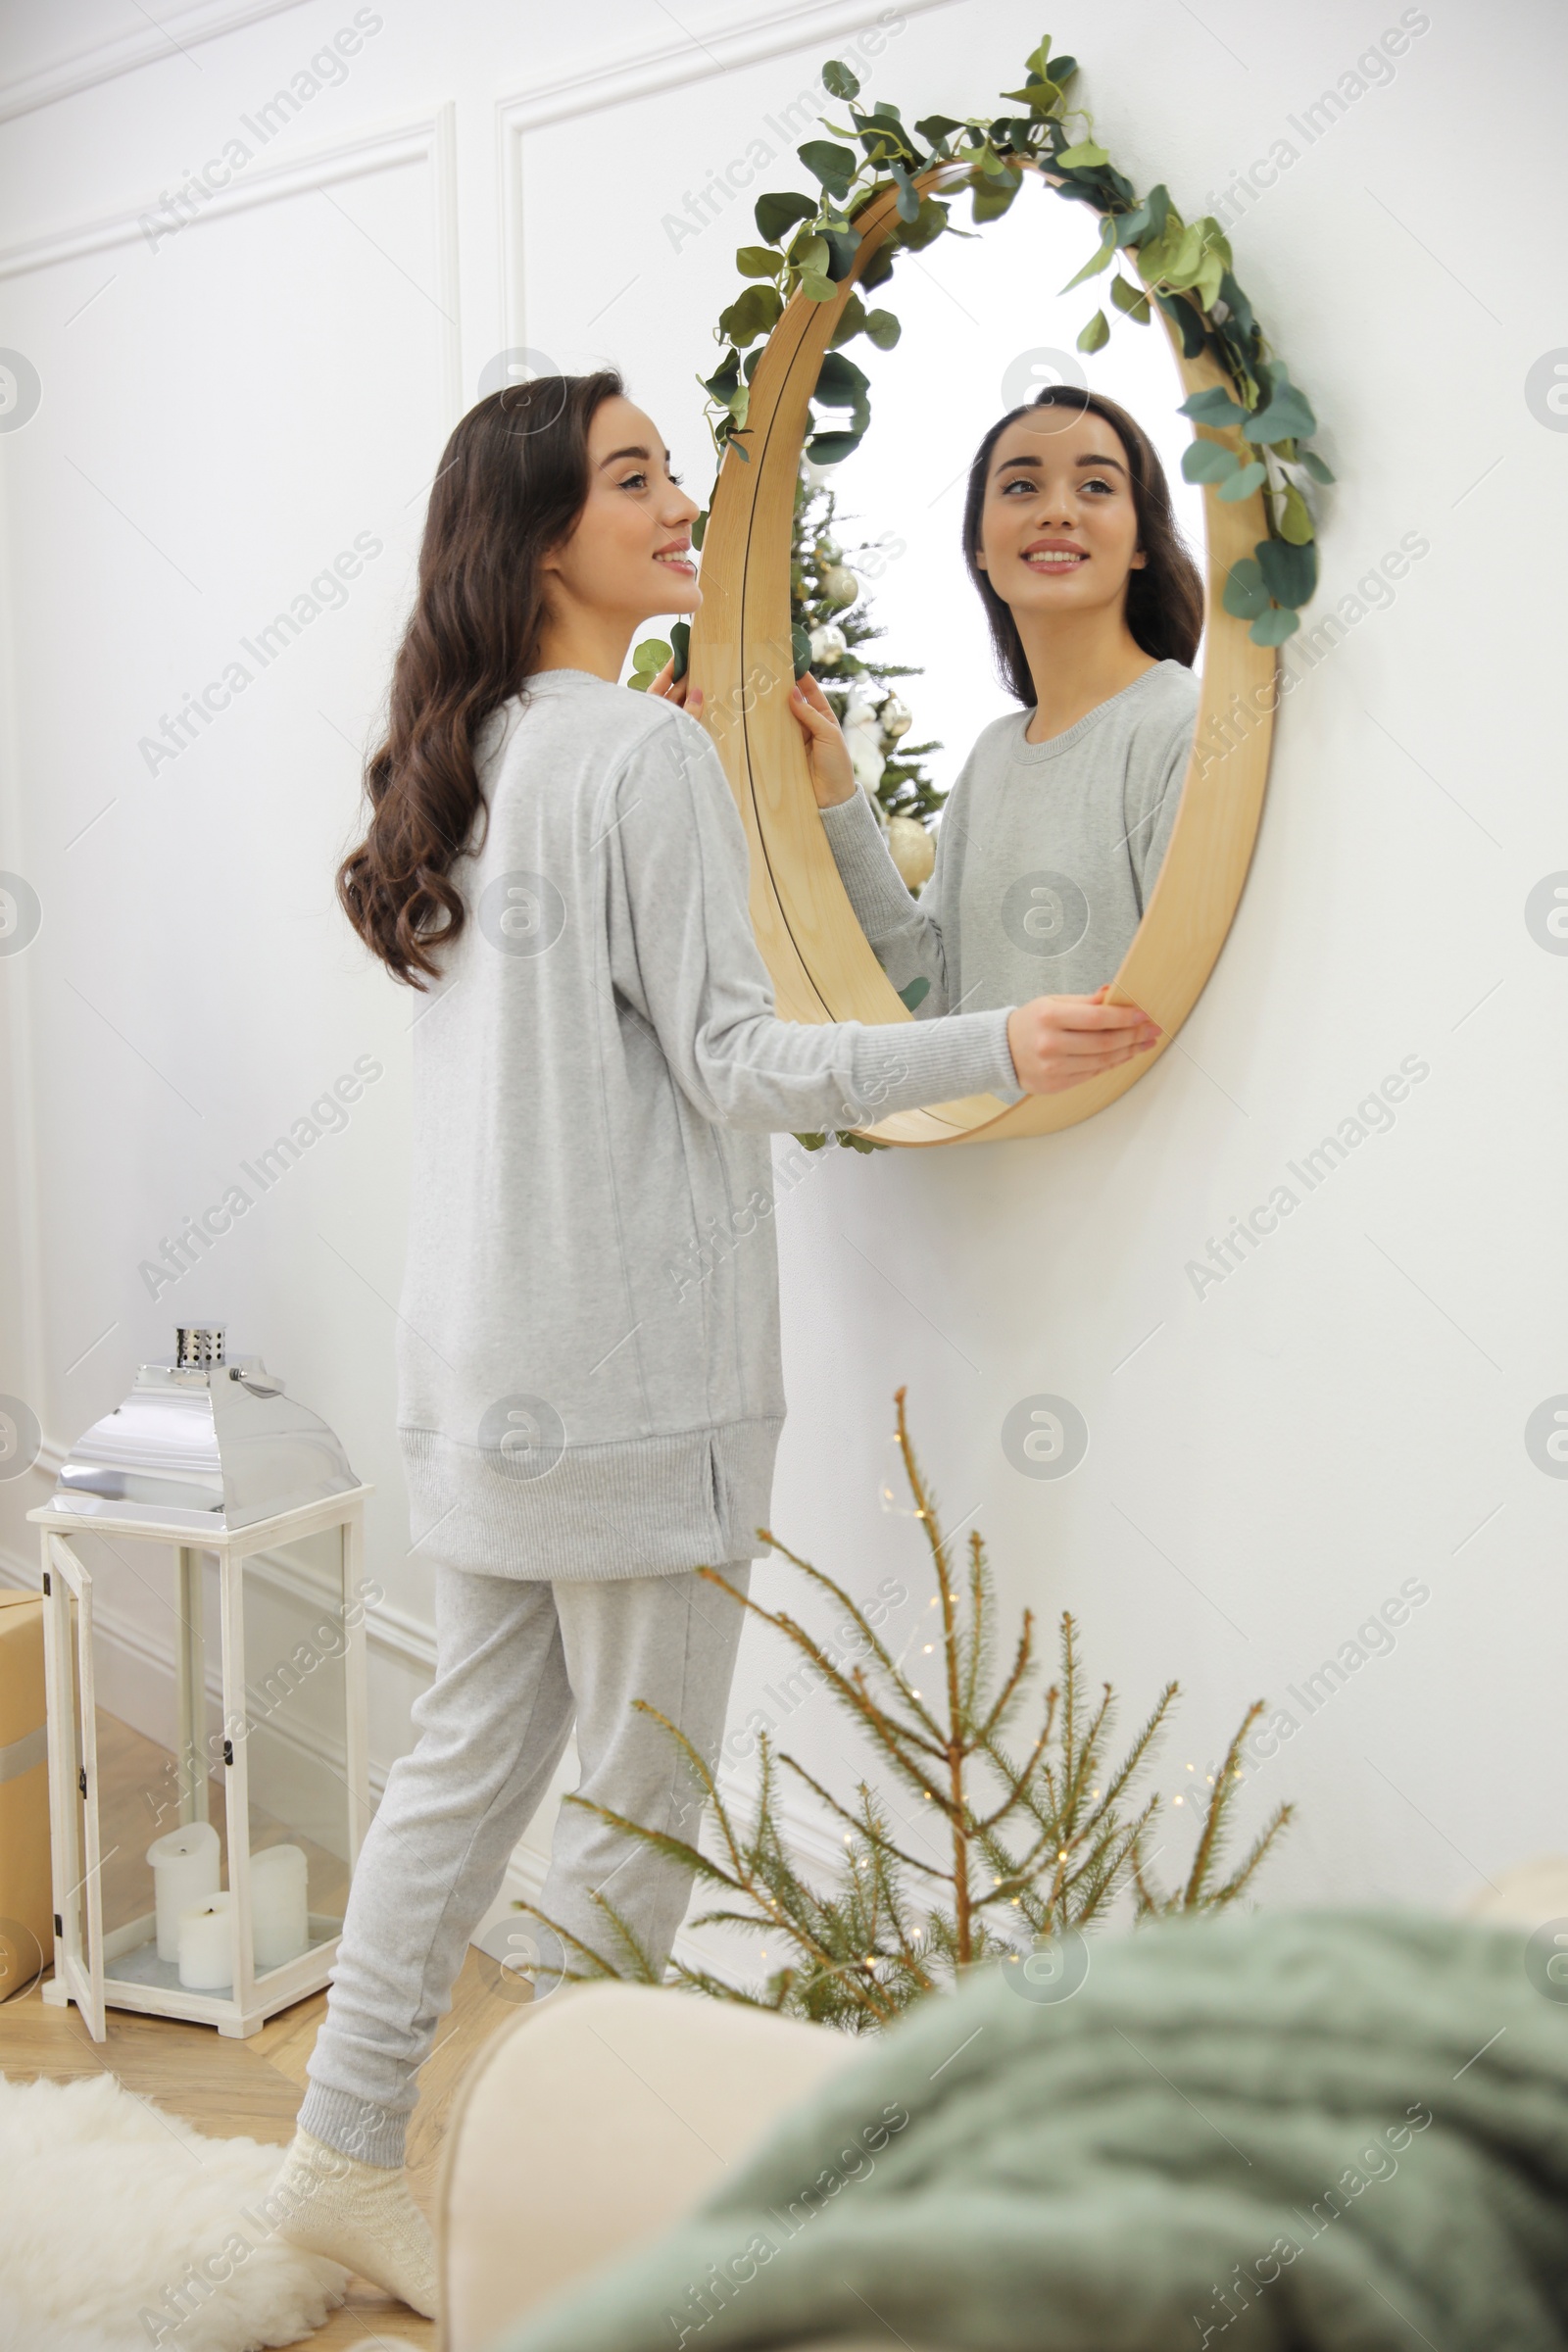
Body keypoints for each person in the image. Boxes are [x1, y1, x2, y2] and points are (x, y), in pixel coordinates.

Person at [266, 369, 1162, 2318]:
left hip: (476, 1366)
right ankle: (494, 2179)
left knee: (460, 1767)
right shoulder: (641, 762)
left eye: (673, 467)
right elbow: (744, 1066)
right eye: (633, 477)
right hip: (641, 1385)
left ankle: (344, 2154)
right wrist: (995, 1041)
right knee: (637, 1800)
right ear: (537, 538)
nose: (680, 501)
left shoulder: (480, 747)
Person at [800, 386, 1203, 1085]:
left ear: (1142, 543)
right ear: (980, 548)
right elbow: (936, 1003)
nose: (1056, 510)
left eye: (1096, 486)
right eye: (1021, 485)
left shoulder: (1180, 726)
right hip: (998, 1184)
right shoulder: (992, 757)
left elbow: (1198, 1011)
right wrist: (838, 800)